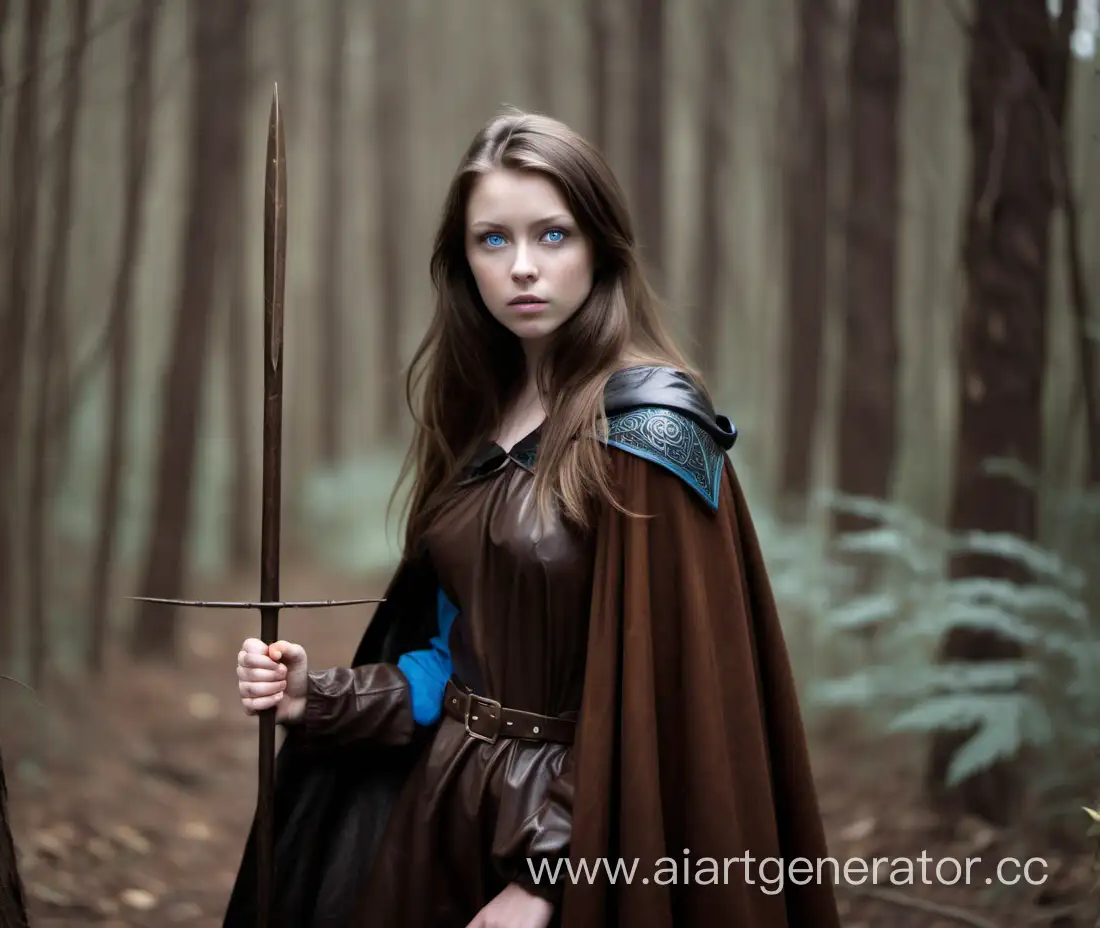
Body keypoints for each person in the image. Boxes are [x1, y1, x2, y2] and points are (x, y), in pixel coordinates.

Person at [224, 108, 841, 928]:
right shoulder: (479, 416)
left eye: (552, 236)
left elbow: (653, 699)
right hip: (443, 815)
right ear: (463, 261)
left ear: (601, 248)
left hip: (592, 840)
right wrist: (322, 696)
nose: (522, 268)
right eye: (493, 240)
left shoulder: (652, 430)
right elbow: (454, 663)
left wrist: (547, 879)